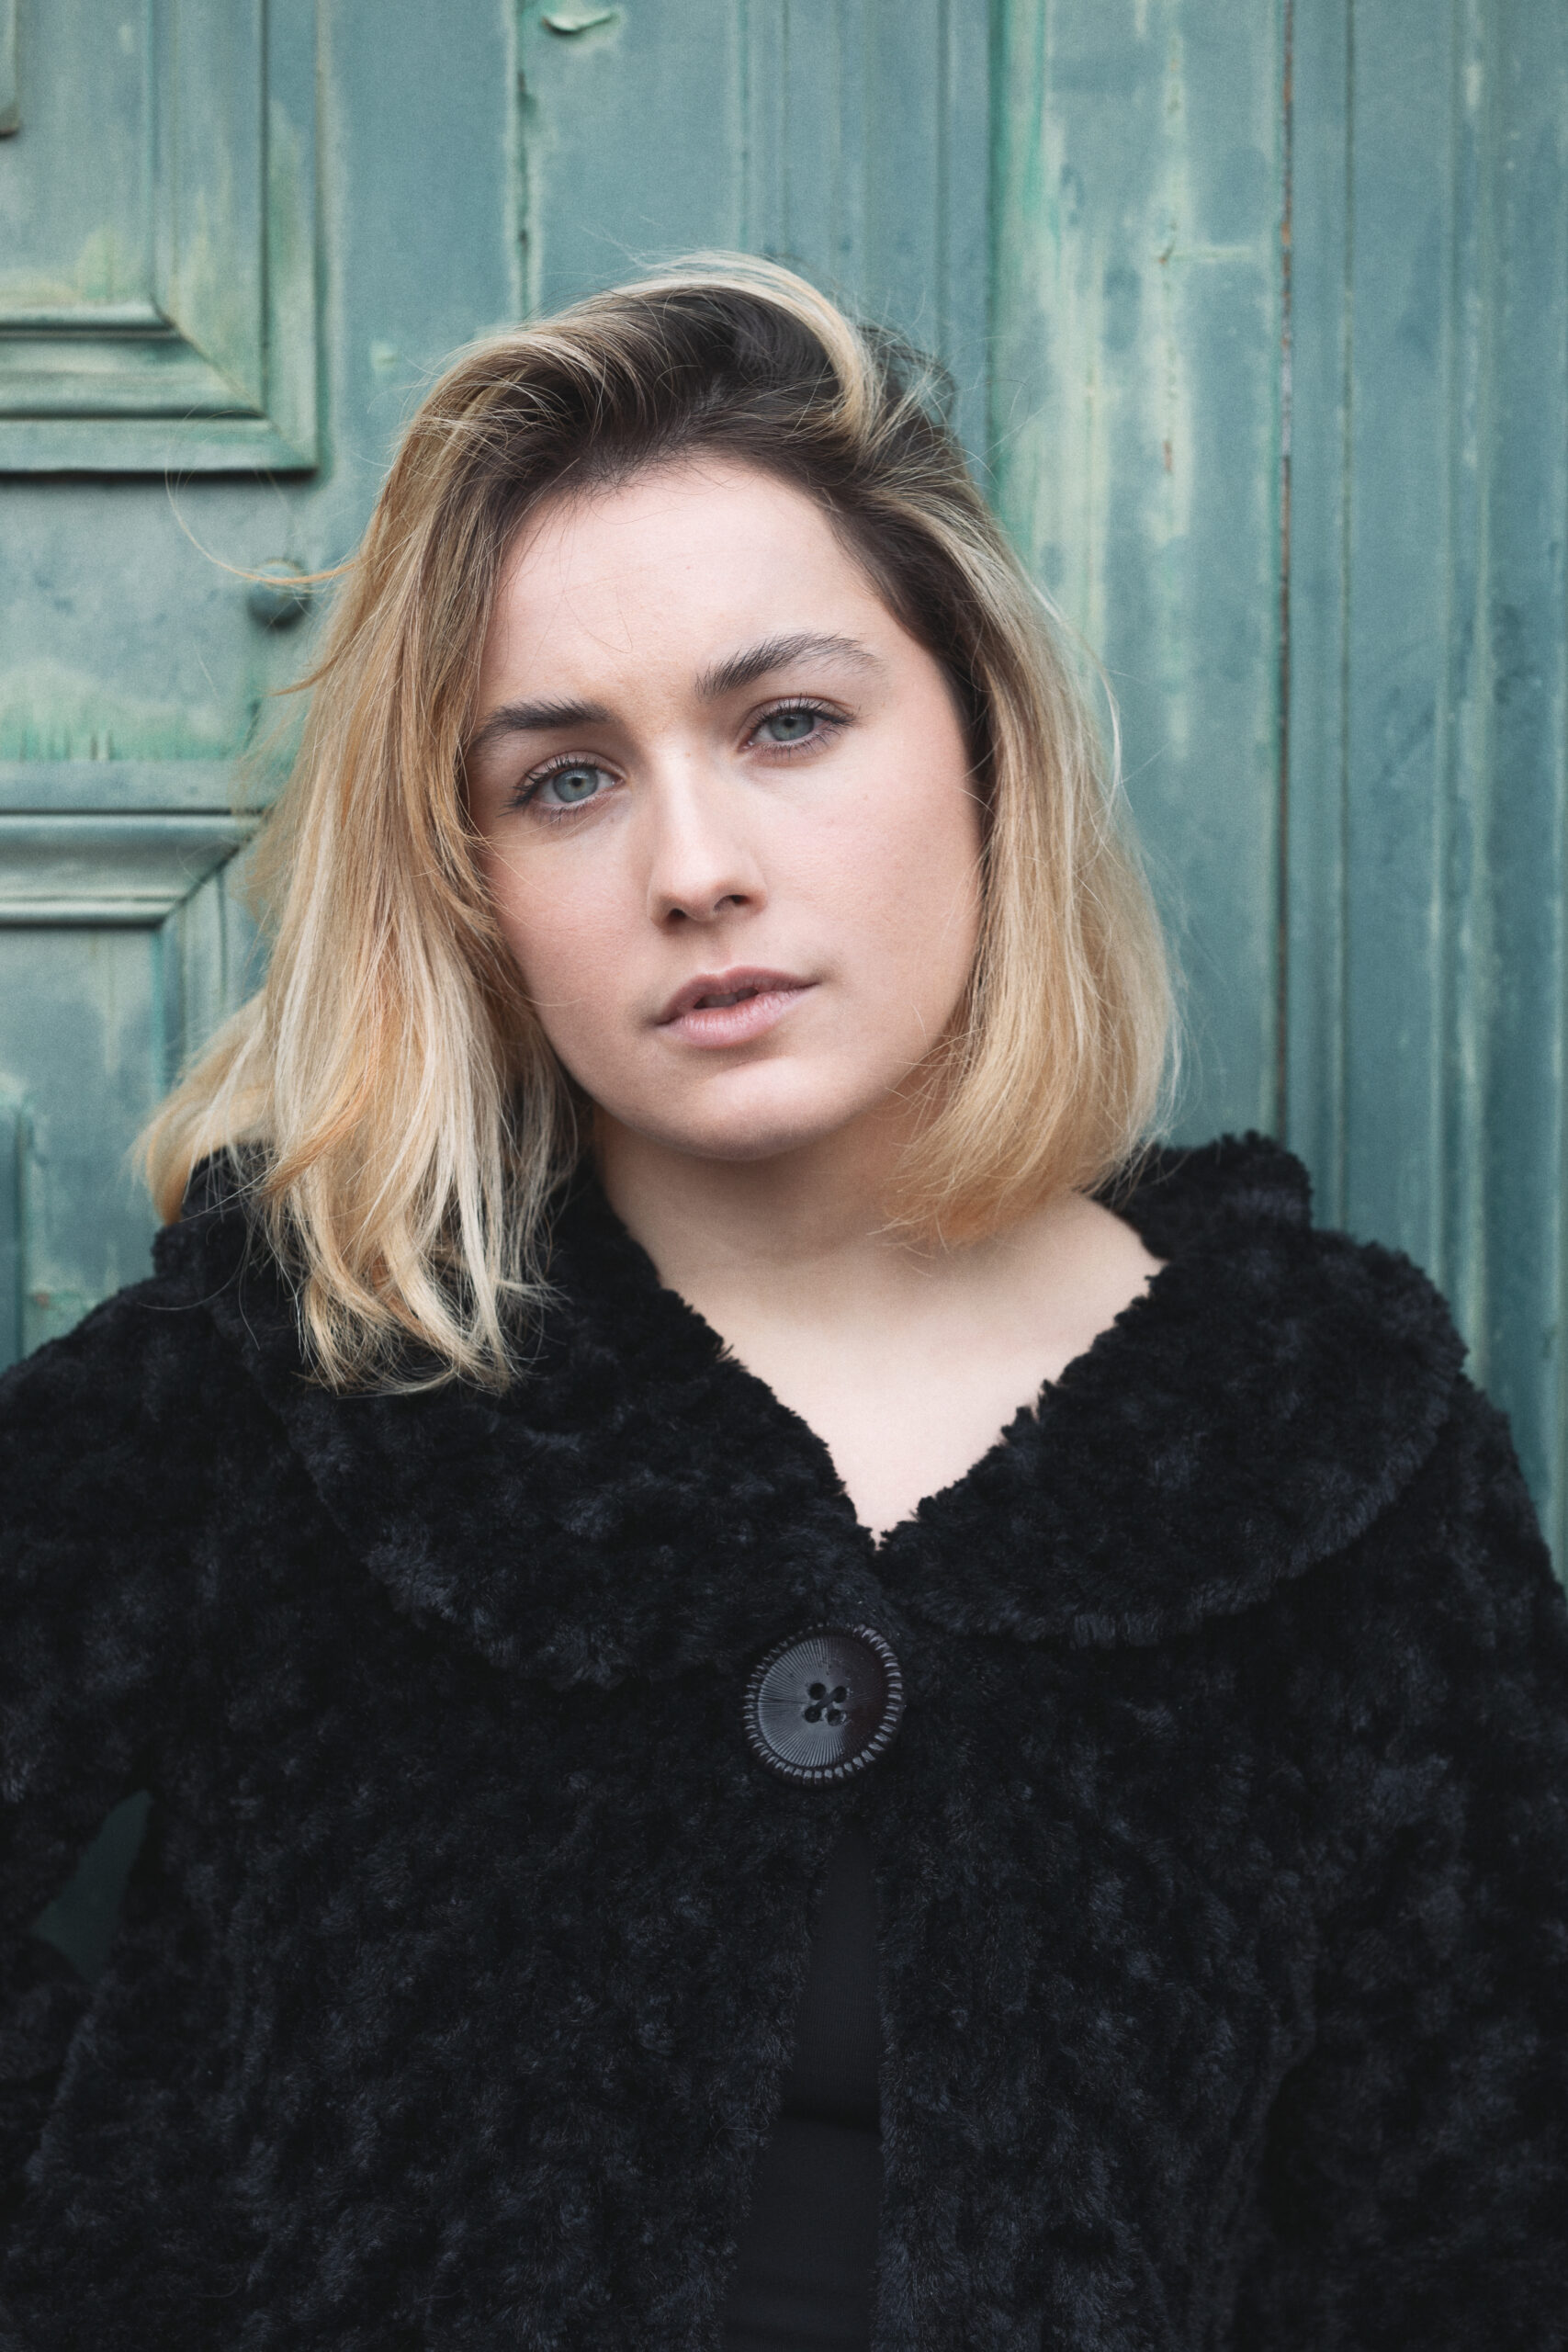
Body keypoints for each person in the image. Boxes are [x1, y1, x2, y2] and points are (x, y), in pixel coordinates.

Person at [1, 257, 1564, 2352]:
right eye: (563, 779)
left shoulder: (1331, 1447)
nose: (693, 867)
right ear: (474, 887)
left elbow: (1474, 2237)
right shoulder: (298, 1372)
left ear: (986, 745)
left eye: (789, 723)